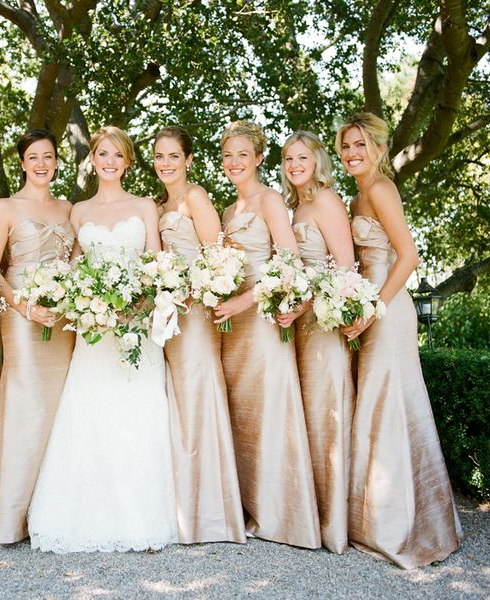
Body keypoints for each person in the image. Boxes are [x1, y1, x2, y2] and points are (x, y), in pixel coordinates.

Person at [27, 125, 177, 553]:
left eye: (117, 155)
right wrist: (82, 299)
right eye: (102, 154)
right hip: (94, 331)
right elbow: (74, 267)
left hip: (136, 328)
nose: (109, 161)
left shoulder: (145, 205)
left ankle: (144, 516)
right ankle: (85, 516)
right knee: (93, 414)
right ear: (91, 159)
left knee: (138, 413)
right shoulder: (78, 212)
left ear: (127, 162)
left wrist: (138, 304)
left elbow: (155, 262)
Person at [336, 112, 463, 568]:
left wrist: (372, 310)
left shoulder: (381, 189)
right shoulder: (356, 195)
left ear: (379, 149)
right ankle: (376, 516)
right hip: (367, 306)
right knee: (375, 405)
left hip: (387, 310)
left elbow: (407, 256)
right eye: (346, 146)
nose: (352, 153)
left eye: (359, 146)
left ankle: (405, 524)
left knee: (388, 404)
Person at [215, 121, 320, 548]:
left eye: (243, 154)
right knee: (243, 413)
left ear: (259, 158)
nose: (234, 162)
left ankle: (282, 514)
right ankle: (251, 504)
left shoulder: (270, 199)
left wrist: (244, 302)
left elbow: (290, 263)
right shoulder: (228, 211)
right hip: (231, 322)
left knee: (271, 407)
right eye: (227, 155)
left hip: (261, 319)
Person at [0, 129, 75, 544]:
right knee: (26, 404)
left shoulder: (69, 208)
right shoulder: (4, 207)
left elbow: (75, 260)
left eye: (49, 156)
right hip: (20, 314)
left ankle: (51, 512)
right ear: (22, 163)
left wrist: (69, 296)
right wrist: (24, 306)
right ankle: (11, 517)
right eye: (33, 156)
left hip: (61, 316)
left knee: (59, 407)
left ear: (57, 162)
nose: (41, 163)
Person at [154, 126, 246, 544]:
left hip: (195, 315)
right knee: (178, 402)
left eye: (174, 156)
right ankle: (182, 505)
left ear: (188, 160)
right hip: (169, 317)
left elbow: (219, 254)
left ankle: (212, 513)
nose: (166, 163)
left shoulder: (195, 197)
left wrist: (187, 293)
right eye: (159, 156)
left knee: (199, 396)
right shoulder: (158, 205)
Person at [278, 130, 356, 554]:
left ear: (317, 160)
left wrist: (306, 303)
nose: (294, 165)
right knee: (311, 416)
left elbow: (345, 266)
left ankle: (335, 522)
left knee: (329, 414)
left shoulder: (325, 200)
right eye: (289, 158)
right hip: (302, 326)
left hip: (323, 325)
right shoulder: (296, 206)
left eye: (302, 157)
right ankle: (313, 513)